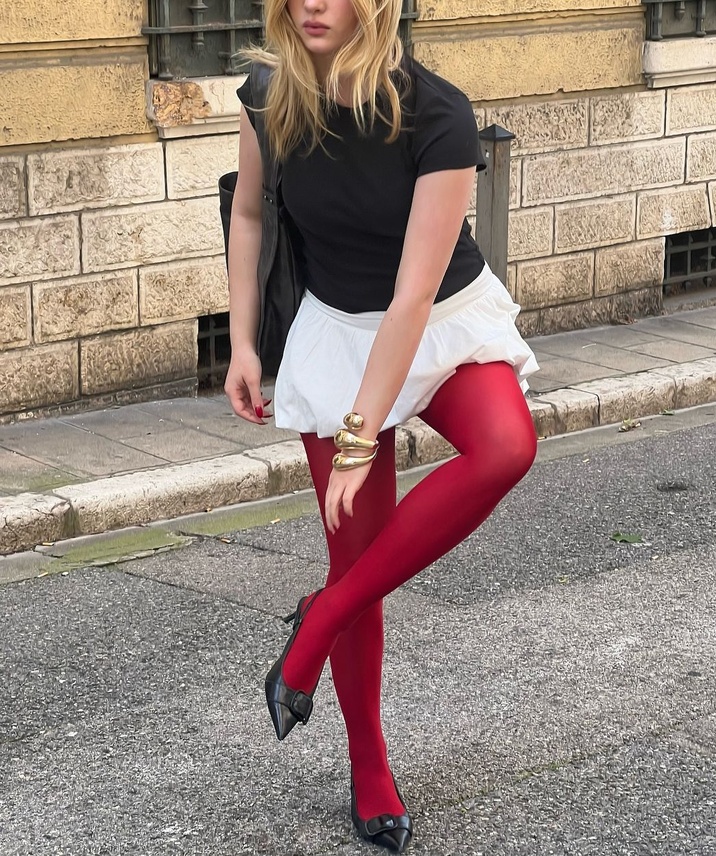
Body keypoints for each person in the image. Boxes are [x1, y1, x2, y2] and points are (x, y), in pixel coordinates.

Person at [224, 0, 539, 851]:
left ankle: (320, 618)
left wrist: (361, 440)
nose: (313, 3)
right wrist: (243, 342)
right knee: (356, 555)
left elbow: (412, 297)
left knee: (506, 447)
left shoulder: (437, 114)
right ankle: (370, 765)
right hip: (337, 331)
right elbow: (249, 214)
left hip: (438, 321)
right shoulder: (267, 96)